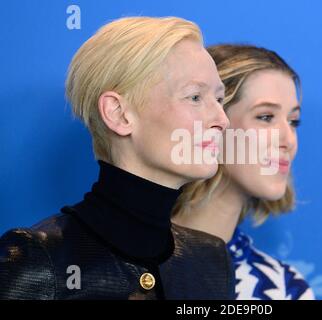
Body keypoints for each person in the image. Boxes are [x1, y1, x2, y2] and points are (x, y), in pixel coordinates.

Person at [0, 17, 234, 300]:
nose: (221, 120)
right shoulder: (37, 259)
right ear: (118, 114)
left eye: (219, 100)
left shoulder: (211, 260)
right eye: (195, 97)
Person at [172, 44, 315, 300]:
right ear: (214, 123)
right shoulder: (114, 262)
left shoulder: (284, 289)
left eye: (294, 121)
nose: (288, 139)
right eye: (265, 117)